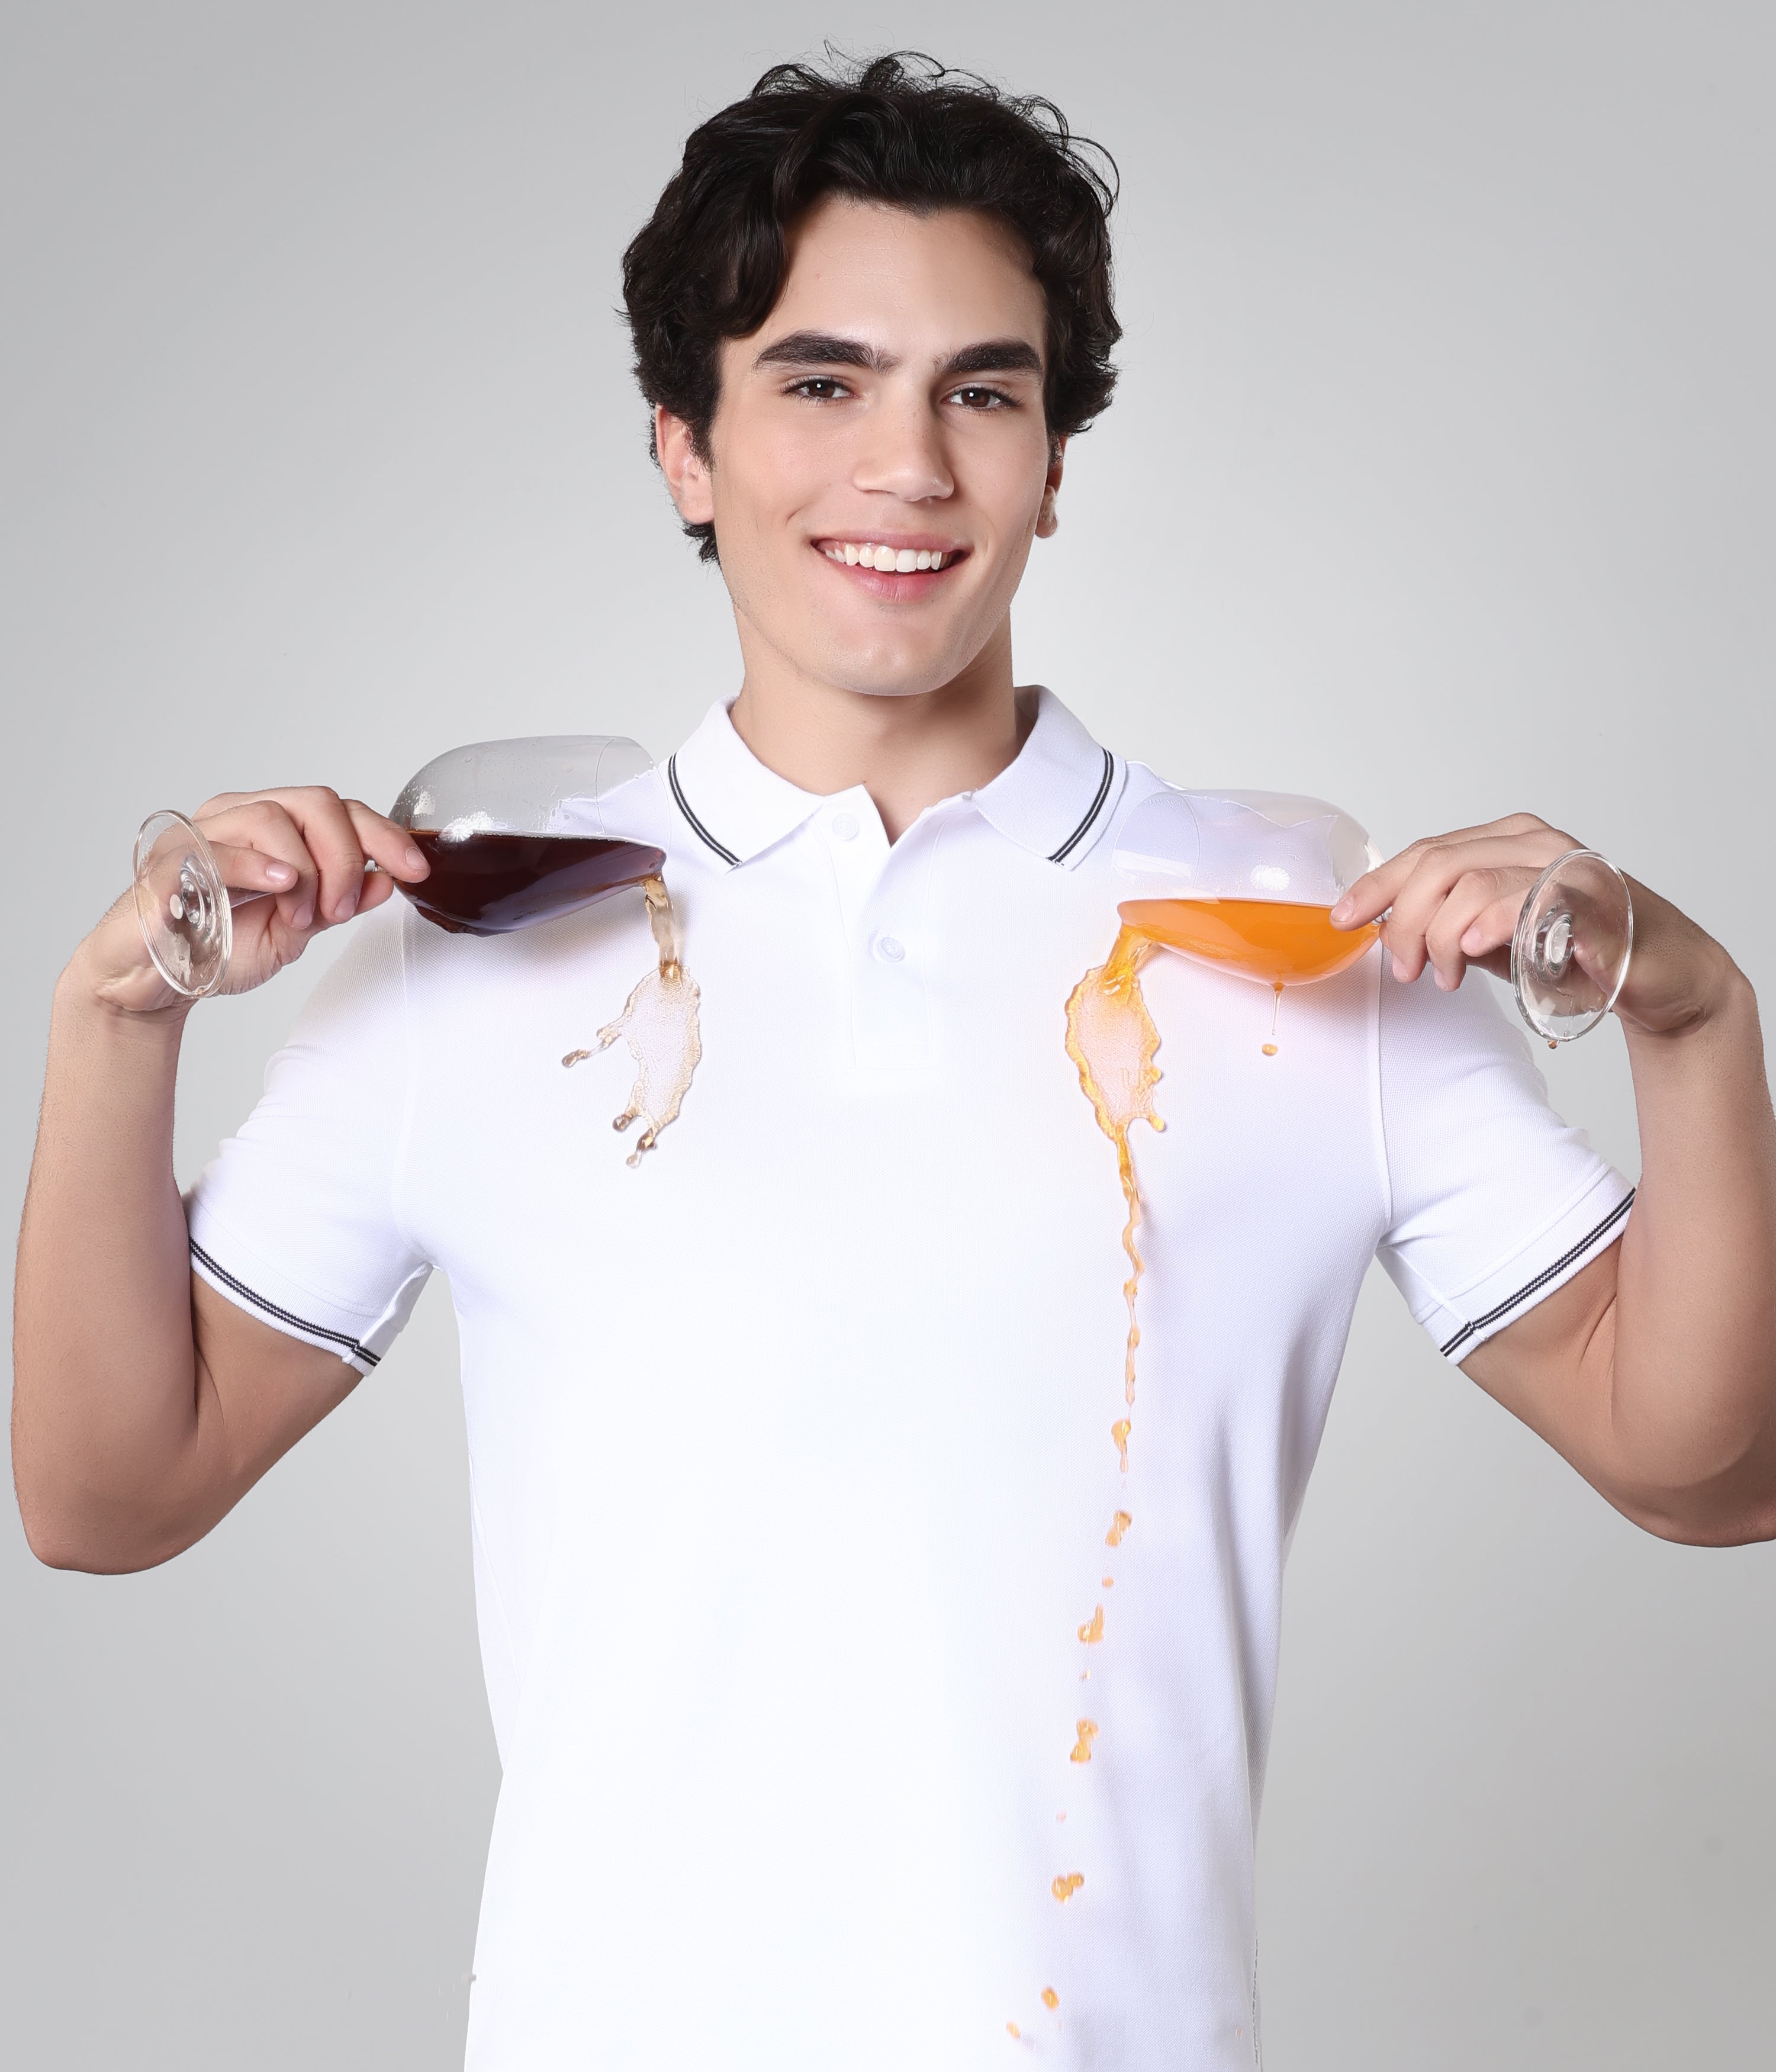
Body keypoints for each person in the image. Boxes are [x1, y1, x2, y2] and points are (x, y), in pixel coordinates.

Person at [14, 52, 1775, 2071]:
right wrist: (118, 1010)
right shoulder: (482, 939)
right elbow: (103, 1492)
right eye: (821, 382)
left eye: (985, 391)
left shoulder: (1300, 927)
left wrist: (1697, 1018)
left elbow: (1717, 1472)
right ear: (685, 446)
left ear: (1054, 457)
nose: (909, 468)